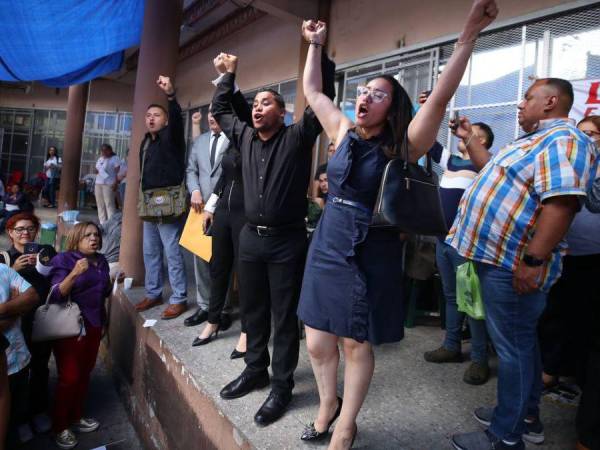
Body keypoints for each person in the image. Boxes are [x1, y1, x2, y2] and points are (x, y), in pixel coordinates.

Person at [297, 3, 498, 448]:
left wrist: (467, 37)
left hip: (373, 247)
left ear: (393, 108)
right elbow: (313, 91)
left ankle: (345, 423)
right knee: (316, 341)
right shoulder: (342, 131)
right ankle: (327, 403)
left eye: (379, 94)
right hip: (328, 242)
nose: (365, 97)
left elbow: (442, 97)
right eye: (364, 90)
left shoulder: (405, 144)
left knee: (355, 343)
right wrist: (314, 45)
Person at [447, 76, 598, 449]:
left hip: (512, 264)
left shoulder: (565, 139)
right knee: (522, 344)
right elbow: (492, 172)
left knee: (513, 350)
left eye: (527, 98)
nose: (519, 105)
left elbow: (561, 203)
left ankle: (505, 435)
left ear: (550, 102)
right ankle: (525, 416)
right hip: (500, 261)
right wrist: (469, 138)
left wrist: (532, 261)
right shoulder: (534, 141)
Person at [210, 48, 335, 427]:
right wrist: (229, 75)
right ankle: (255, 370)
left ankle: (282, 386)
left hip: (287, 241)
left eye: (267, 102)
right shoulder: (245, 137)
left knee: (283, 317)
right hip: (251, 239)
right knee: (253, 309)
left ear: (282, 112)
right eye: (256, 103)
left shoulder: (298, 137)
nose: (258, 107)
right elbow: (221, 110)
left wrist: (318, 49)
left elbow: (321, 98)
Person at [424, 118, 494, 385]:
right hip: (443, 241)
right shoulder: (452, 161)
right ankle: (452, 347)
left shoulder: (483, 164)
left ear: (482, 141)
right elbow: (429, 141)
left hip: (466, 244)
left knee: (472, 300)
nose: (463, 134)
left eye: (473, 132)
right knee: (451, 296)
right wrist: (434, 108)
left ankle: (479, 360)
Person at [193, 57, 255, 356]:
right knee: (219, 269)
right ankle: (213, 321)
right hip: (224, 214)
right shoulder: (232, 144)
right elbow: (222, 181)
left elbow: (238, 107)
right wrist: (210, 208)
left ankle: (246, 330)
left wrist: (230, 78)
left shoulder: (255, 143)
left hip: (247, 216)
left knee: (245, 275)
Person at [48, 222, 111, 450]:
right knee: (70, 377)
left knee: (85, 373)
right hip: (70, 327)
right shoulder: (64, 260)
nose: (93, 238)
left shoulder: (101, 261)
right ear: (76, 238)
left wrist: (104, 323)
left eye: (96, 234)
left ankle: (76, 416)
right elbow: (55, 294)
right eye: (87, 235)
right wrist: (74, 273)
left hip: (94, 325)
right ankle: (59, 425)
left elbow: (102, 294)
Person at [134, 76, 188, 320]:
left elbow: (177, 120)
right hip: (149, 203)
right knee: (150, 251)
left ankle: (179, 298)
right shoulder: (146, 142)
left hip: (169, 203)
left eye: (156, 115)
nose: (151, 118)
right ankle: (153, 292)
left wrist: (170, 96)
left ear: (165, 119)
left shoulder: (171, 136)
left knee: (172, 251)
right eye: (148, 116)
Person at [5, 213, 56, 435]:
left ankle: (39, 410)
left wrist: (43, 266)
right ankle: (20, 418)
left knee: (40, 365)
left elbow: (57, 278)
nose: (25, 233)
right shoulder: (4, 258)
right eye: (20, 229)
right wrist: (13, 270)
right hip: (15, 324)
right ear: (10, 232)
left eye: (30, 228)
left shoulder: (46, 251)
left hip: (43, 317)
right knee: (17, 372)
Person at [184, 109, 233, 328]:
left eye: (218, 112)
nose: (212, 116)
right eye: (210, 112)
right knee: (200, 259)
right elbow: (191, 170)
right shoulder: (201, 140)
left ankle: (222, 309)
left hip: (226, 208)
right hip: (199, 206)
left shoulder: (235, 139)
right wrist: (194, 190)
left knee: (224, 260)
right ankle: (204, 306)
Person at [568, 116, 600, 450]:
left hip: (593, 256)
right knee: (570, 321)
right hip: (567, 253)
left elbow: (593, 201)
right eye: (582, 133)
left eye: (591, 135)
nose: (585, 139)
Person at [0, 263, 39, 446]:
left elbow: (32, 296)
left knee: (15, 420)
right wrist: (15, 310)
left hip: (17, 360)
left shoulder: (2, 270)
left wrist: (3, 309)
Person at [94, 144, 120, 225]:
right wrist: (96, 171)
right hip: (98, 183)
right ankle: (102, 223)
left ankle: (111, 224)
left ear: (110, 150)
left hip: (109, 184)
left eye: (106, 150)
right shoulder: (100, 159)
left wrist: (116, 183)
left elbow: (118, 172)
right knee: (100, 204)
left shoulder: (115, 159)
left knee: (109, 204)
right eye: (102, 150)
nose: (103, 152)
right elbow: (96, 170)